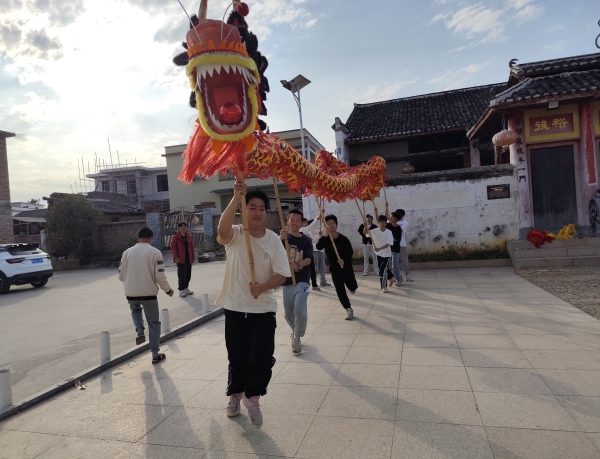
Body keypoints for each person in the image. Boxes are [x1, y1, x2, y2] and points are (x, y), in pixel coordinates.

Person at [216, 180, 290, 427]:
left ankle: (253, 398)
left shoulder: (273, 240)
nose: (258, 212)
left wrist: (263, 287)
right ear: (243, 210)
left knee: (261, 357)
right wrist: (235, 197)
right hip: (235, 307)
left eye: (262, 208)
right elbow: (222, 231)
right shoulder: (236, 234)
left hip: (263, 309)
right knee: (237, 356)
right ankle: (235, 395)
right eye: (252, 207)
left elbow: (282, 273)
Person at [118, 227, 174, 364]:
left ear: (138, 238)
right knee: (154, 323)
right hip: (149, 294)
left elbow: (120, 275)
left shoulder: (126, 252)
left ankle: (139, 330)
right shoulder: (155, 252)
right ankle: (155, 354)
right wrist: (168, 290)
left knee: (135, 310)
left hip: (131, 293)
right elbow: (160, 275)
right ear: (151, 238)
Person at [280, 209, 313, 353]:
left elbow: (309, 259)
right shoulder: (283, 238)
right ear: (287, 221)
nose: (294, 223)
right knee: (288, 313)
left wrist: (298, 264)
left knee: (299, 310)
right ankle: (295, 331)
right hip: (286, 280)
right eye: (292, 220)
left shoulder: (306, 240)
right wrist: (280, 239)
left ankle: (297, 337)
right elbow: (272, 252)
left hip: (302, 279)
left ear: (302, 223)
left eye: (297, 220)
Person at [317, 214, 358, 320]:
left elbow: (349, 252)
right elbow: (318, 246)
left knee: (352, 286)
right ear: (325, 226)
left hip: (346, 266)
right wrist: (325, 236)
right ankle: (348, 308)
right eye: (328, 223)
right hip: (335, 268)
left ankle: (352, 288)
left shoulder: (343, 239)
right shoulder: (325, 239)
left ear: (337, 225)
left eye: (333, 223)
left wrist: (343, 259)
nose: (331, 225)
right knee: (340, 288)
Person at [301, 216, 331, 290]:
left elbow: (313, 240)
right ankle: (308, 284)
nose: (306, 223)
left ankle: (316, 284)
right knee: (312, 269)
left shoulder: (308, 233)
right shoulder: (302, 230)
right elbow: (312, 225)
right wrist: (318, 217)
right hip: (308, 253)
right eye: (304, 222)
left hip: (311, 252)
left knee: (317, 268)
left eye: (306, 222)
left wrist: (320, 233)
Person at [369, 215, 395, 293]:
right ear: (379, 222)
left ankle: (384, 286)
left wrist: (379, 248)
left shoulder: (389, 232)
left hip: (386, 254)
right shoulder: (375, 231)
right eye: (382, 222)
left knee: (382, 270)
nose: (383, 224)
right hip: (378, 254)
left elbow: (388, 244)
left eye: (385, 222)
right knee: (383, 268)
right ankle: (391, 276)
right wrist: (365, 227)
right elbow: (366, 232)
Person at [170, 222, 195, 297]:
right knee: (182, 274)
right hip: (180, 259)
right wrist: (176, 257)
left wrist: (192, 257)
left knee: (188, 273)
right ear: (178, 228)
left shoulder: (188, 236)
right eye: (181, 226)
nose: (183, 228)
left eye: (184, 226)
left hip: (188, 258)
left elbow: (191, 247)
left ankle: (186, 288)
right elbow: (173, 248)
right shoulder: (175, 237)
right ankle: (181, 290)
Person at [386, 211, 403, 287]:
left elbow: (397, 240)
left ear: (396, 219)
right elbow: (385, 217)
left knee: (395, 265)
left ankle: (398, 279)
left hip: (395, 249)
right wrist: (386, 207)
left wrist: (391, 237)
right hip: (387, 249)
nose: (390, 217)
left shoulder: (398, 228)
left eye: (392, 216)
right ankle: (392, 277)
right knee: (388, 265)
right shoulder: (388, 225)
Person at [396, 209, 413, 282]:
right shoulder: (392, 222)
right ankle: (395, 276)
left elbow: (400, 231)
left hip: (401, 244)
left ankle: (407, 274)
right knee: (394, 262)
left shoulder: (405, 223)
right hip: (393, 245)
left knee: (404, 260)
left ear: (402, 215)